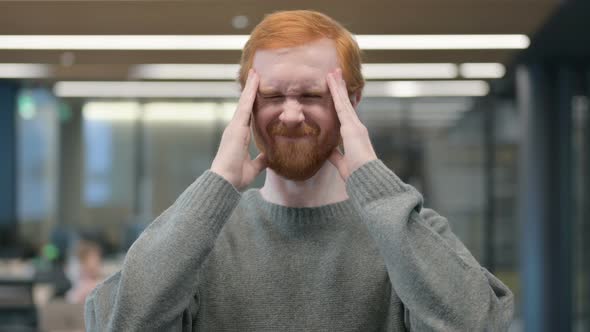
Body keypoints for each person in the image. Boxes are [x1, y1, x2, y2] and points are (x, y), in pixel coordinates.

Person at [85, 10, 514, 331]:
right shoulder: (200, 236)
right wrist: (215, 185)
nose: (290, 115)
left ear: (353, 101)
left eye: (311, 94)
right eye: (271, 96)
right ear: (246, 103)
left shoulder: (407, 231)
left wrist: (379, 191)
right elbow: (120, 323)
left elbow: (478, 324)